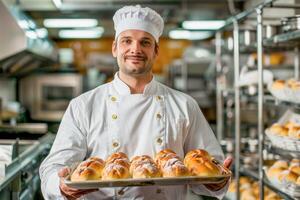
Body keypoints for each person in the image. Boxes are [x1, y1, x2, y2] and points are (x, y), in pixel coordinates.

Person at [39, 5, 232, 200]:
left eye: (145, 42)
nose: (135, 49)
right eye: (127, 41)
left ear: (156, 50)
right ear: (115, 48)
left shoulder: (184, 105)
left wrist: (217, 183)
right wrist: (61, 186)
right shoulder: (83, 105)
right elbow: (52, 169)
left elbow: (210, 168)